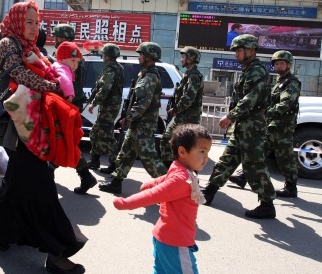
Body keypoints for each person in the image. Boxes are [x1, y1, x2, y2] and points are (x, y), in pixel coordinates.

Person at [0, 2, 86, 273]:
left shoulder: (32, 48)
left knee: (17, 184)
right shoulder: (7, 44)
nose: (33, 26)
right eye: (28, 21)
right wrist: (53, 87)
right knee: (41, 188)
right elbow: (18, 73)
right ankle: (58, 252)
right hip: (21, 125)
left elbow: (50, 70)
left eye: (36, 22)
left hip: (34, 125)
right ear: (15, 21)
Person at [113, 124, 212, 274]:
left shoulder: (178, 168)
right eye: (202, 151)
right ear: (182, 151)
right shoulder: (182, 179)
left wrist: (148, 184)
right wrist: (126, 203)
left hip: (165, 238)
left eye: (208, 152)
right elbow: (154, 195)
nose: (206, 158)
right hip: (176, 243)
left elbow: (163, 180)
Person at [202, 34, 276, 219]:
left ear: (250, 50)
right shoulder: (248, 70)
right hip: (243, 126)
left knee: (253, 166)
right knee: (227, 160)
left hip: (253, 127)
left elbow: (250, 99)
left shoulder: (257, 71)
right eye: (235, 50)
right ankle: (209, 192)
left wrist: (230, 116)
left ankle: (267, 204)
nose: (236, 54)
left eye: (239, 50)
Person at [228, 50, 301, 198]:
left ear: (288, 65)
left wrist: (267, 114)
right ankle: (243, 176)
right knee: (257, 151)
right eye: (276, 63)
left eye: (281, 63)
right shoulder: (278, 83)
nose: (278, 65)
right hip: (270, 125)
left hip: (282, 127)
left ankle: (291, 186)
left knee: (284, 157)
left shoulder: (291, 83)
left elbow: (286, 103)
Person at [99, 42, 168, 195]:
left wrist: (129, 117)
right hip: (138, 123)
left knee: (149, 157)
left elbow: (143, 102)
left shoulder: (150, 76)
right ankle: (116, 182)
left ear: (149, 57)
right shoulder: (145, 73)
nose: (139, 57)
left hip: (143, 124)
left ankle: (171, 186)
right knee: (126, 153)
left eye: (141, 54)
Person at [50, 23, 97, 194]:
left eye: (57, 36)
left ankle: (48, 173)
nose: (54, 39)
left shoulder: (72, 56)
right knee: (65, 139)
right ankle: (85, 176)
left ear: (63, 37)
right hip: (70, 102)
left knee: (62, 139)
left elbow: (68, 82)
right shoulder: (71, 54)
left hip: (69, 102)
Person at [85, 43, 124, 180]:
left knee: (107, 135)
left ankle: (114, 164)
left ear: (107, 56)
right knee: (95, 132)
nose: (102, 56)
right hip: (109, 106)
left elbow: (105, 88)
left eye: (103, 54)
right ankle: (95, 160)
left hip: (109, 107)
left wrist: (94, 103)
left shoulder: (111, 70)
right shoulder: (114, 67)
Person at [160, 46, 204, 168]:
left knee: (181, 146)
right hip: (182, 117)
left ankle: (180, 173)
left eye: (184, 57)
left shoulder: (193, 76)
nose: (181, 59)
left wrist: (175, 109)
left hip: (187, 118)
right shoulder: (188, 75)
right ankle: (172, 172)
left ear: (191, 59)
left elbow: (188, 98)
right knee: (170, 142)